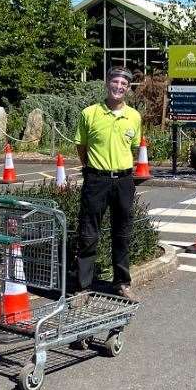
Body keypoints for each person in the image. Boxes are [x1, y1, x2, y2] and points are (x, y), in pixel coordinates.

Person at [74, 67, 142, 298]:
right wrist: (92, 169)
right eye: (115, 81)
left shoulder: (134, 116)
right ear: (107, 84)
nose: (119, 87)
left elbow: (132, 148)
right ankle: (84, 287)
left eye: (124, 83)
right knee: (88, 234)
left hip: (123, 181)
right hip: (96, 180)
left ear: (128, 89)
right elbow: (81, 147)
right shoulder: (89, 113)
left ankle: (122, 283)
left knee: (122, 233)